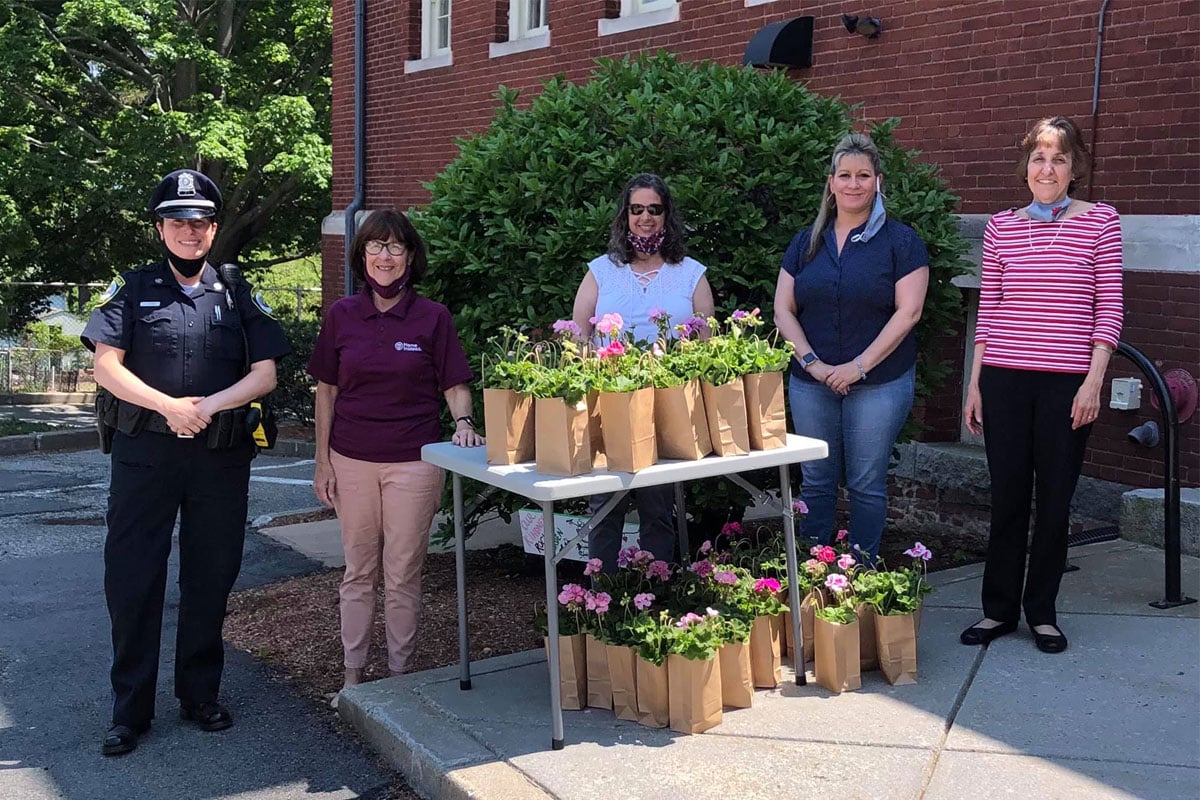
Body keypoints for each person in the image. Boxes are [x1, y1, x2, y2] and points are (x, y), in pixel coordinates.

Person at [82, 169, 291, 756]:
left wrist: (203, 409)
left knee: (211, 577)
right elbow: (106, 365)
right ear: (161, 229)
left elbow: (266, 372)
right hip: (145, 455)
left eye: (199, 223)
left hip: (220, 457)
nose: (188, 232)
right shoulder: (133, 288)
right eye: (178, 222)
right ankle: (130, 712)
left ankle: (200, 696)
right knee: (132, 581)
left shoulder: (236, 290)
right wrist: (169, 408)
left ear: (213, 229)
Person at [960, 116, 1122, 654]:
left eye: (1058, 159)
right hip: (1005, 379)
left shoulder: (1101, 221)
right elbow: (989, 310)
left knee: (1055, 500)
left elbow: (1109, 310)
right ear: (1025, 167)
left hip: (1066, 384)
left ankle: (1042, 612)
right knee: (1007, 496)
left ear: (1074, 168)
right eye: (1037, 158)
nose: (1046, 168)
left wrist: (1093, 382)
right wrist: (976, 384)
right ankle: (998, 611)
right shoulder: (1001, 226)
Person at [308, 209, 484, 699]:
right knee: (358, 570)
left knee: (403, 570)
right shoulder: (342, 315)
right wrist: (322, 462)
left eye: (395, 247)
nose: (385, 257)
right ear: (362, 256)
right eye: (375, 247)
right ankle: (353, 678)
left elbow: (454, 383)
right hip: (351, 458)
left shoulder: (433, 317)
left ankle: (399, 682)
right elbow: (326, 391)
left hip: (414, 461)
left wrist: (464, 424)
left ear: (410, 256)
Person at [773, 133, 930, 562]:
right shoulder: (806, 242)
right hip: (812, 381)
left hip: (879, 381)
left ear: (877, 181)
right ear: (831, 182)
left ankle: (860, 576)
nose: (854, 184)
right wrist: (813, 363)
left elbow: (909, 312)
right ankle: (811, 575)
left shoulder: (901, 242)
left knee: (865, 483)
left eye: (863, 175)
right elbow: (783, 309)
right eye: (845, 175)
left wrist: (857, 367)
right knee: (817, 481)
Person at [571, 173, 715, 572]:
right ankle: (600, 597)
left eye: (654, 209)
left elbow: (707, 337)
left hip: (668, 404)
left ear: (666, 215)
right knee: (605, 503)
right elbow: (579, 334)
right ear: (625, 215)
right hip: (611, 403)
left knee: (658, 504)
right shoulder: (602, 270)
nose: (646, 217)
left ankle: (658, 595)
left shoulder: (689, 272)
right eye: (637, 210)